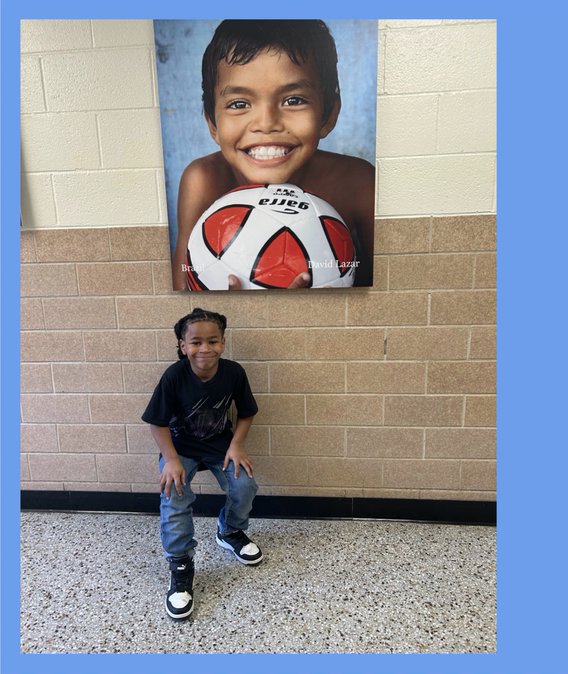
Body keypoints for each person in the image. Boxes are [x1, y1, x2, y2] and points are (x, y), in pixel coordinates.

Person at [171, 20, 375, 291]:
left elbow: (389, 291)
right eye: (239, 104)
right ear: (212, 124)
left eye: (293, 100)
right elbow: (183, 289)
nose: (266, 123)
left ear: (328, 114)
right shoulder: (204, 180)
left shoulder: (357, 182)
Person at [142, 307, 261, 620]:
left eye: (213, 341)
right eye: (195, 342)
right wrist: (169, 459)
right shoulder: (174, 376)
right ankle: (180, 562)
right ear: (183, 346)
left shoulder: (234, 372)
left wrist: (237, 444)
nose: (204, 348)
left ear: (223, 343)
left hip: (221, 444)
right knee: (174, 494)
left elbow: (247, 412)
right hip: (179, 448)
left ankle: (230, 531)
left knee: (245, 484)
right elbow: (157, 423)